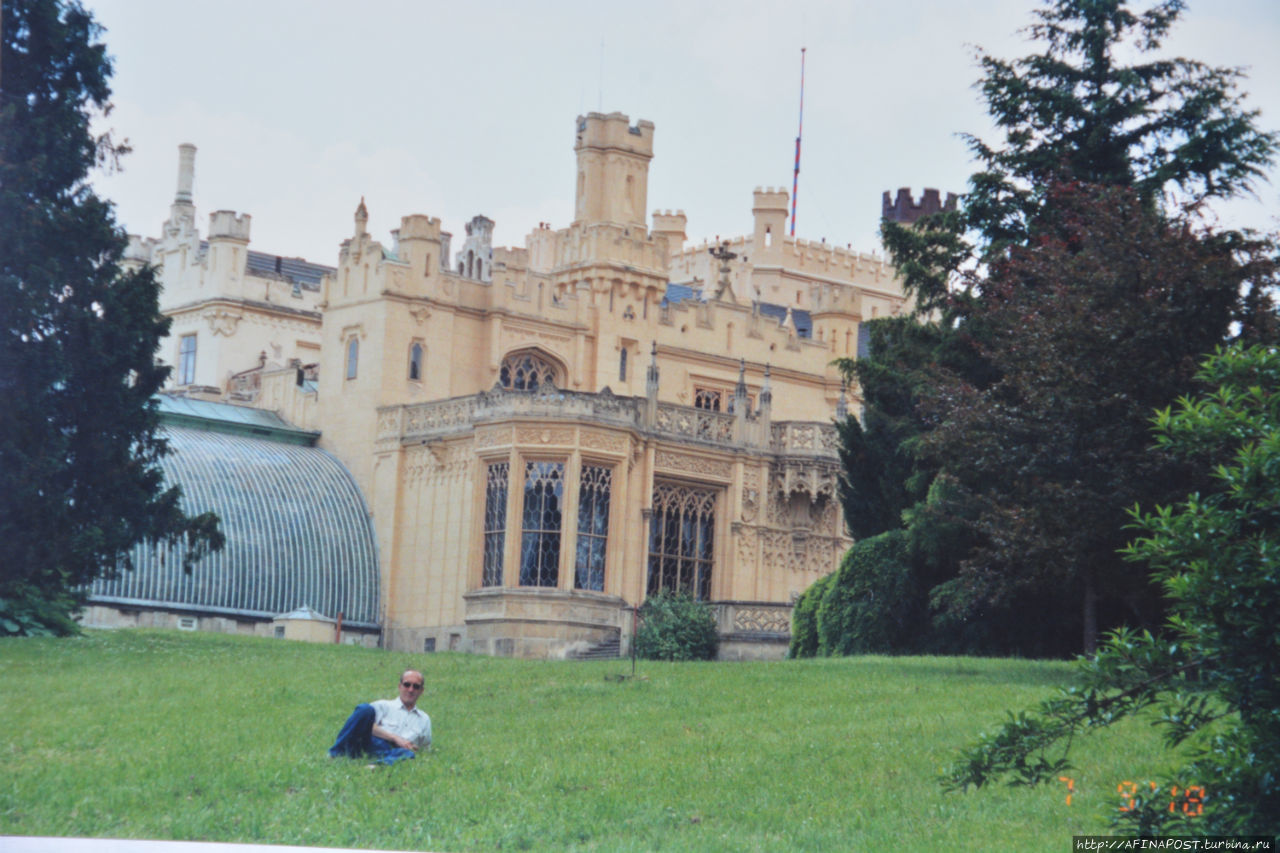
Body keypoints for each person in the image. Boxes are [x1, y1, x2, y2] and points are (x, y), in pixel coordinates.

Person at [328, 670, 432, 765]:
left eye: (416, 686)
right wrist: (395, 738)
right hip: (370, 742)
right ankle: (335, 754)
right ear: (400, 686)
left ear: (421, 691)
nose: (410, 689)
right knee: (365, 709)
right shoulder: (384, 706)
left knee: (408, 754)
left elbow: (423, 749)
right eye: (407, 685)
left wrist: (412, 748)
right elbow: (364, 725)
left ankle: (374, 765)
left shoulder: (424, 719)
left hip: (392, 751)